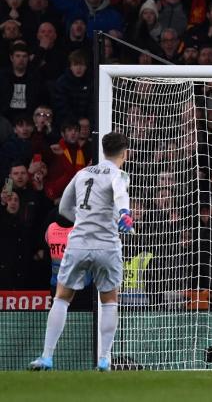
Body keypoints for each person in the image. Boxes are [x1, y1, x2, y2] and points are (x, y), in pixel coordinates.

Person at [29, 132, 133, 371]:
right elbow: (119, 193)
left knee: (62, 297)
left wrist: (84, 221)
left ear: (102, 151)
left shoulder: (82, 173)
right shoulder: (119, 174)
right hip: (107, 245)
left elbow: (64, 208)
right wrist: (125, 213)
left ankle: (46, 357)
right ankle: (105, 359)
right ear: (124, 153)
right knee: (109, 301)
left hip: (78, 244)